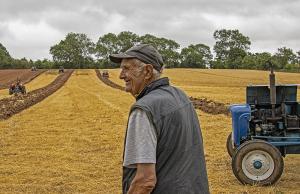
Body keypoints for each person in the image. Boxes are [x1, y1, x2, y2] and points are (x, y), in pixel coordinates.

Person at [109, 44, 209, 194]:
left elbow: (145, 181)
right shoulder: (180, 95)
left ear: (148, 71)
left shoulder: (144, 110)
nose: (121, 75)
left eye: (127, 68)